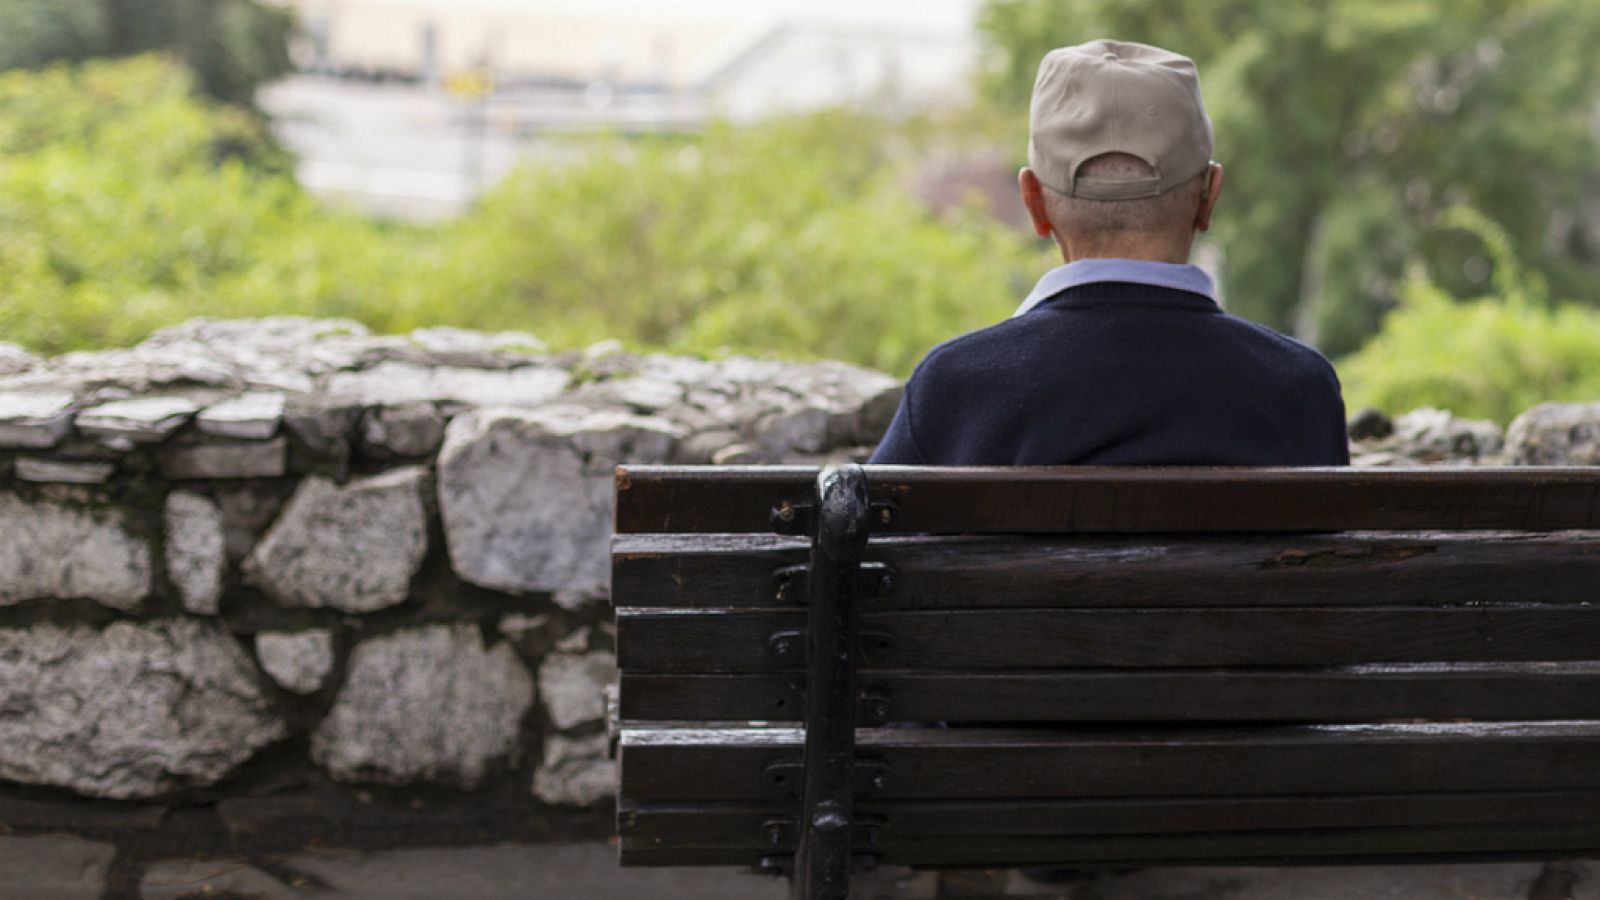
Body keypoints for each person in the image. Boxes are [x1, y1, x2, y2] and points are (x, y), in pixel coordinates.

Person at [869, 39, 1349, 467]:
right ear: (1209, 198)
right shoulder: (1300, 389)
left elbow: (860, 546)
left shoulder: (955, 389)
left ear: (1034, 203)